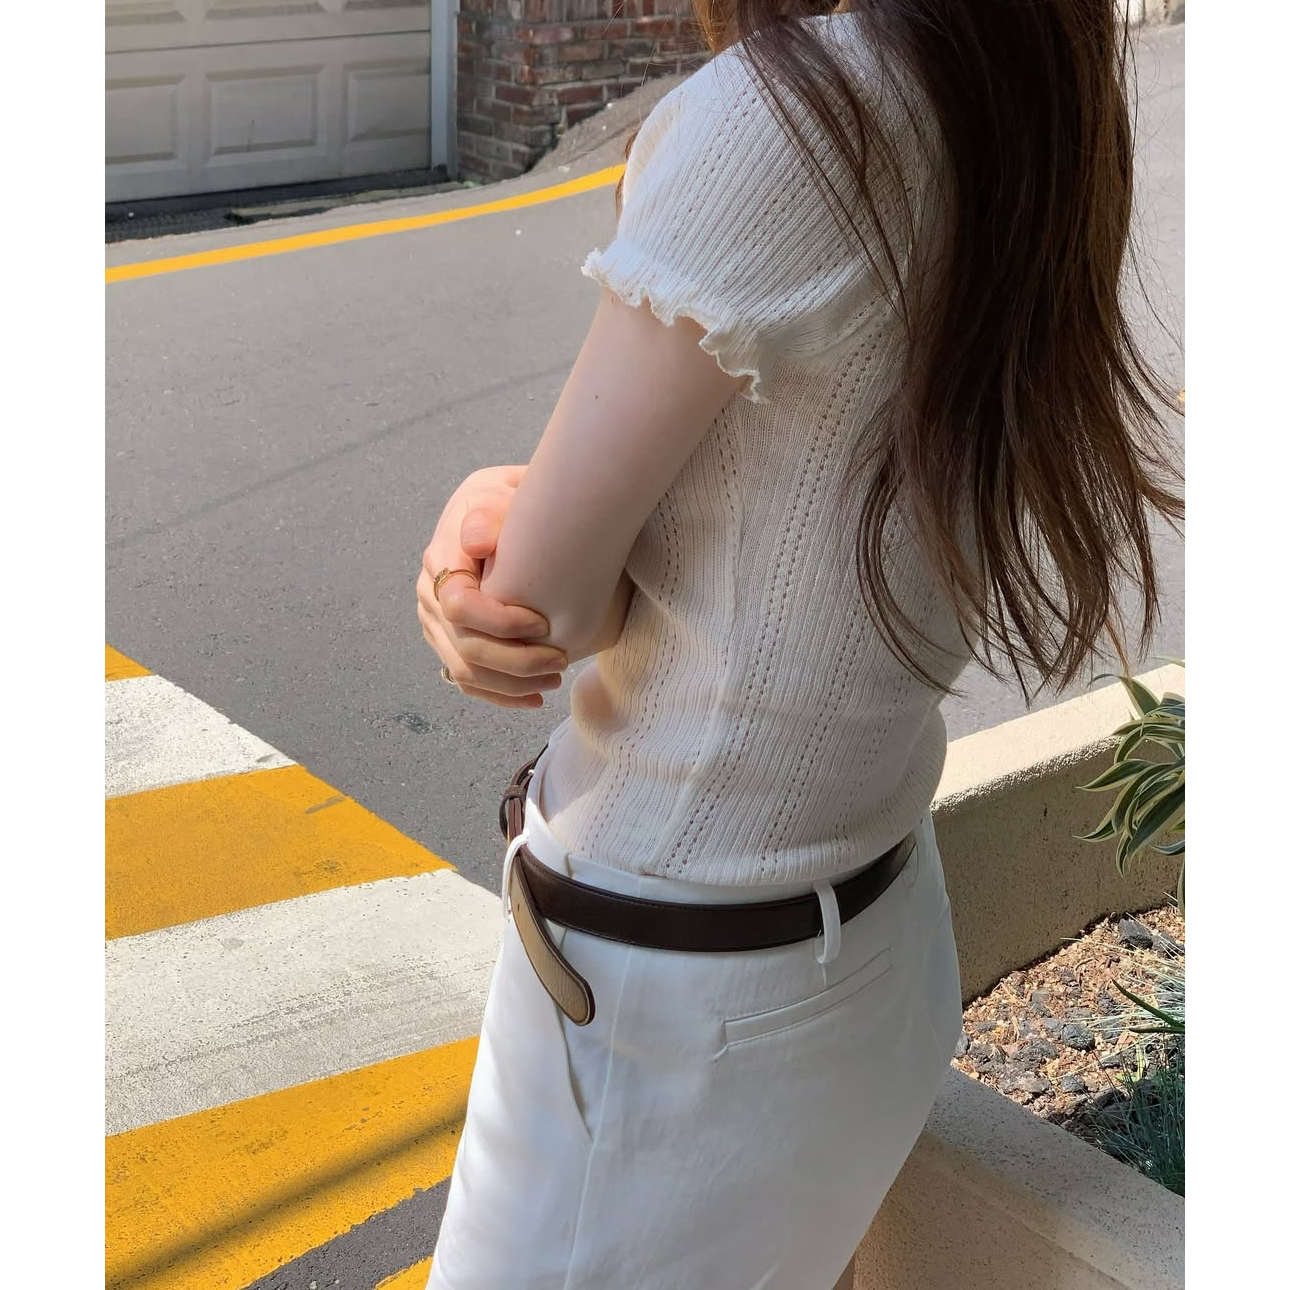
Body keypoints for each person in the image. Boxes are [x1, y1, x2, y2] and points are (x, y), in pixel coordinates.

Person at [414, 3, 1183, 1286]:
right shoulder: (1027, 83)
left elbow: (537, 610)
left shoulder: (782, 118)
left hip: (671, 1010)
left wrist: (479, 524)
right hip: (871, 945)